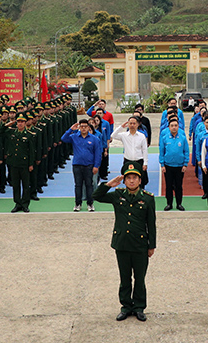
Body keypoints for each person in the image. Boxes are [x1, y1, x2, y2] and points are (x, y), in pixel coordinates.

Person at [94, 161, 156, 322]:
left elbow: (151, 223)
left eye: (135, 177)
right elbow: (96, 196)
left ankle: (139, 307)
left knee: (140, 279)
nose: (132, 181)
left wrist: (151, 246)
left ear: (140, 180)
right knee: (125, 278)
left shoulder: (148, 199)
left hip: (140, 245)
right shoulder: (118, 195)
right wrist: (109, 184)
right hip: (122, 244)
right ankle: (126, 307)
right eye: (128, 178)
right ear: (124, 180)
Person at [62, 121, 100, 212]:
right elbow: (63, 139)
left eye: (85, 126)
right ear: (79, 127)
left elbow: (98, 154)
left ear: (88, 127)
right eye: (81, 126)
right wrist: (71, 129)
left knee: (89, 184)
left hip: (89, 165)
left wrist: (96, 166)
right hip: (77, 165)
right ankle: (78, 203)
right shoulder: (74, 137)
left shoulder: (94, 139)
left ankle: (90, 204)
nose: (83, 128)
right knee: (78, 185)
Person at [5, 113, 36, 213]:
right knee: (16, 185)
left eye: (22, 122)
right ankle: (17, 203)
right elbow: (0, 132)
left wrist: (31, 164)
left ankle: (25, 204)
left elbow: (31, 151)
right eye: (18, 122)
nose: (20, 124)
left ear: (25, 123)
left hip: (24, 163)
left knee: (26, 185)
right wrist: (9, 124)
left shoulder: (29, 135)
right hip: (14, 163)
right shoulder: (11, 133)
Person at [159, 118, 189, 211]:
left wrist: (185, 164)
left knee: (179, 186)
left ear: (178, 126)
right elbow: (162, 151)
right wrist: (162, 165)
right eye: (172, 126)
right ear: (169, 127)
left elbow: (186, 151)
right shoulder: (165, 138)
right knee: (168, 186)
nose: (174, 127)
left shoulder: (183, 138)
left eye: (175, 125)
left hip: (179, 166)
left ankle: (179, 204)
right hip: (168, 166)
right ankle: (169, 204)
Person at [111, 116, 149, 190]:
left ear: (137, 124)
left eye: (134, 123)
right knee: (128, 181)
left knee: (140, 181)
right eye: (130, 123)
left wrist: (145, 163)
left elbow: (144, 150)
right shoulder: (124, 135)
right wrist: (121, 127)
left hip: (139, 161)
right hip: (128, 161)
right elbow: (113, 135)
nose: (132, 125)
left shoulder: (142, 136)